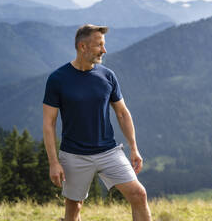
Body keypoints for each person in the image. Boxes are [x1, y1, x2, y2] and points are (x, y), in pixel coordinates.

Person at [42, 24, 152, 221]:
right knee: (74, 208)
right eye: (99, 45)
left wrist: (133, 148)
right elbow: (48, 124)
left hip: (109, 152)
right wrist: (53, 162)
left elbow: (122, 114)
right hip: (74, 155)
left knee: (139, 194)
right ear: (82, 47)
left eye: (104, 44)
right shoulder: (57, 79)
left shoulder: (107, 76)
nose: (104, 50)